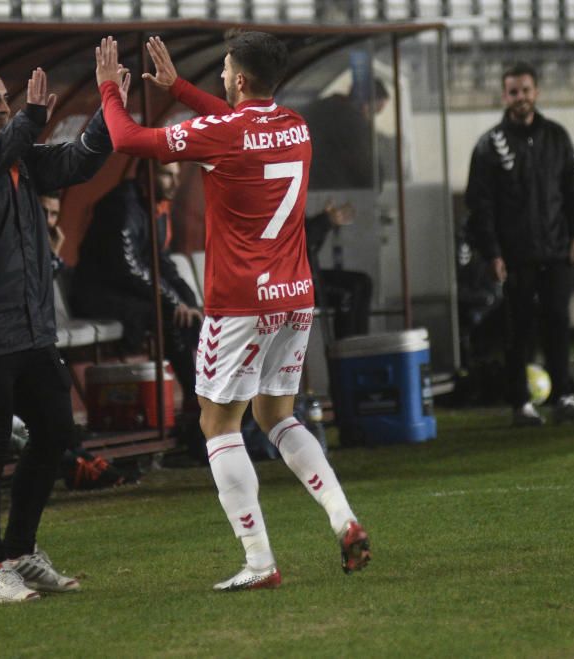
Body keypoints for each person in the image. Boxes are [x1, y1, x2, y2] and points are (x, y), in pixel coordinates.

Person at [95, 32, 370, 591]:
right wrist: (181, 88)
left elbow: (126, 138)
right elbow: (237, 123)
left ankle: (259, 560)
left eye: (224, 71)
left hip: (241, 301)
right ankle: (344, 519)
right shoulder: (296, 126)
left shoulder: (225, 134)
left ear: (240, 79)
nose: (221, 78)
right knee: (277, 417)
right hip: (295, 296)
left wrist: (107, 88)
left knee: (218, 423)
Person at [0, 62, 119, 603]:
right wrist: (26, 125)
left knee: (55, 431)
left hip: (31, 331)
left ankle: (21, 550)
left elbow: (80, 161)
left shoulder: (22, 157)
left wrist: (108, 109)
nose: (4, 106)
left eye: (5, 99)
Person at [465, 62, 574, 427]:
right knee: (517, 330)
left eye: (525, 90)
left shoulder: (557, 136)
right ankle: (520, 403)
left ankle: (564, 396)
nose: (520, 98)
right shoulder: (490, 144)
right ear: (504, 96)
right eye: (513, 91)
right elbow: (480, 204)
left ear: (536, 92)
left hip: (555, 251)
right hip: (514, 256)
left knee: (557, 322)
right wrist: (492, 253)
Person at [71, 159, 203, 410]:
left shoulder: (158, 207)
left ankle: (206, 395)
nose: (175, 183)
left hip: (128, 293)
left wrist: (187, 301)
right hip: (97, 295)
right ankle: (193, 399)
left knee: (189, 315)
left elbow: (162, 262)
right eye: (166, 175)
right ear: (146, 175)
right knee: (170, 316)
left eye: (176, 175)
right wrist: (173, 303)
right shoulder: (123, 203)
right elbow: (126, 266)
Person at [302, 77, 389, 190]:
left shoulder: (321, 107)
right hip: (333, 190)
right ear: (366, 102)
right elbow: (367, 171)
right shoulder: (352, 122)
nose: (370, 118)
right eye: (374, 111)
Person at [305, 201, 373, 340]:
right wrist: (326, 221)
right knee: (347, 293)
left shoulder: (291, 202)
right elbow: (302, 241)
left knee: (363, 282)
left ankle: (362, 345)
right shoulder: (276, 205)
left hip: (308, 273)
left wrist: (327, 221)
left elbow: (310, 246)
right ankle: (346, 351)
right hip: (293, 281)